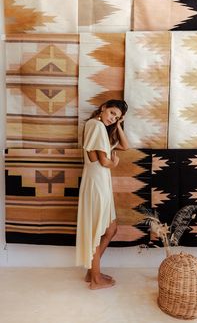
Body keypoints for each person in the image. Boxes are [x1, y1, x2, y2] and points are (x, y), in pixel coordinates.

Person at [76, 99, 129, 290]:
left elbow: (124, 146)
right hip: (96, 184)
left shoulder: (96, 127)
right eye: (112, 113)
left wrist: (118, 125)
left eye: (117, 117)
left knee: (110, 229)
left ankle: (92, 271)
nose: (112, 118)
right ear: (103, 108)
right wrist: (114, 163)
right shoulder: (97, 126)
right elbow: (104, 162)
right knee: (98, 231)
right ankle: (95, 279)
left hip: (99, 182)